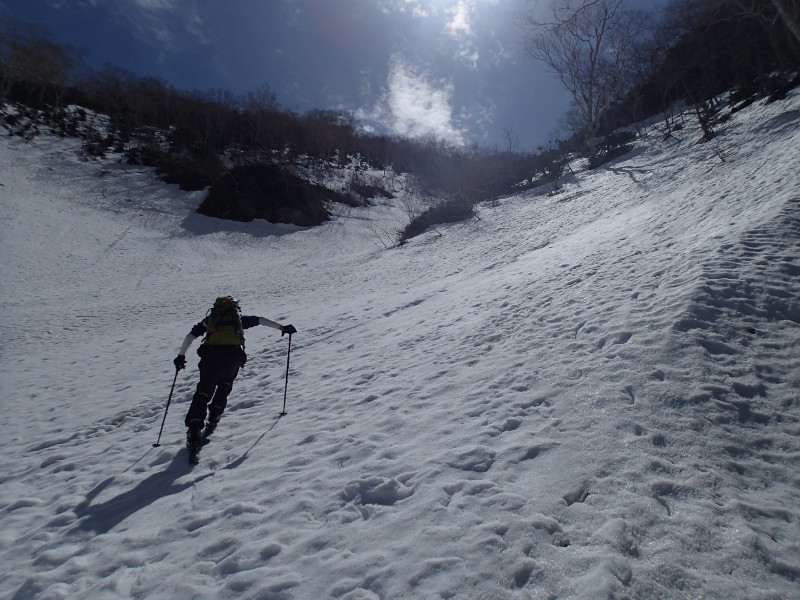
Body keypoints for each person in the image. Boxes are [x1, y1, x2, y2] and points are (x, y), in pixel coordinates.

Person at [173, 296, 296, 450]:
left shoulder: (210, 320)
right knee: (225, 385)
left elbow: (190, 336)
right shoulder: (238, 319)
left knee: (203, 391)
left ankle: (194, 428)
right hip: (232, 358)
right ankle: (215, 415)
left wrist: (181, 356)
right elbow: (260, 320)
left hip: (210, 358)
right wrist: (282, 327)